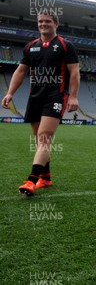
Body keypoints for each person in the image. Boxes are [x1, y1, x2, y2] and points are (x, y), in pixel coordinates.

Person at [1, 11, 79, 196]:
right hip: (35, 96)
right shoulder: (31, 47)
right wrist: (10, 93)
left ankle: (32, 180)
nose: (43, 24)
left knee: (44, 137)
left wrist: (74, 96)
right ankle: (46, 177)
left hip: (56, 96)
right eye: (40, 21)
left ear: (56, 23)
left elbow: (74, 72)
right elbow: (20, 72)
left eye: (47, 21)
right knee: (39, 140)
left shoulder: (65, 45)